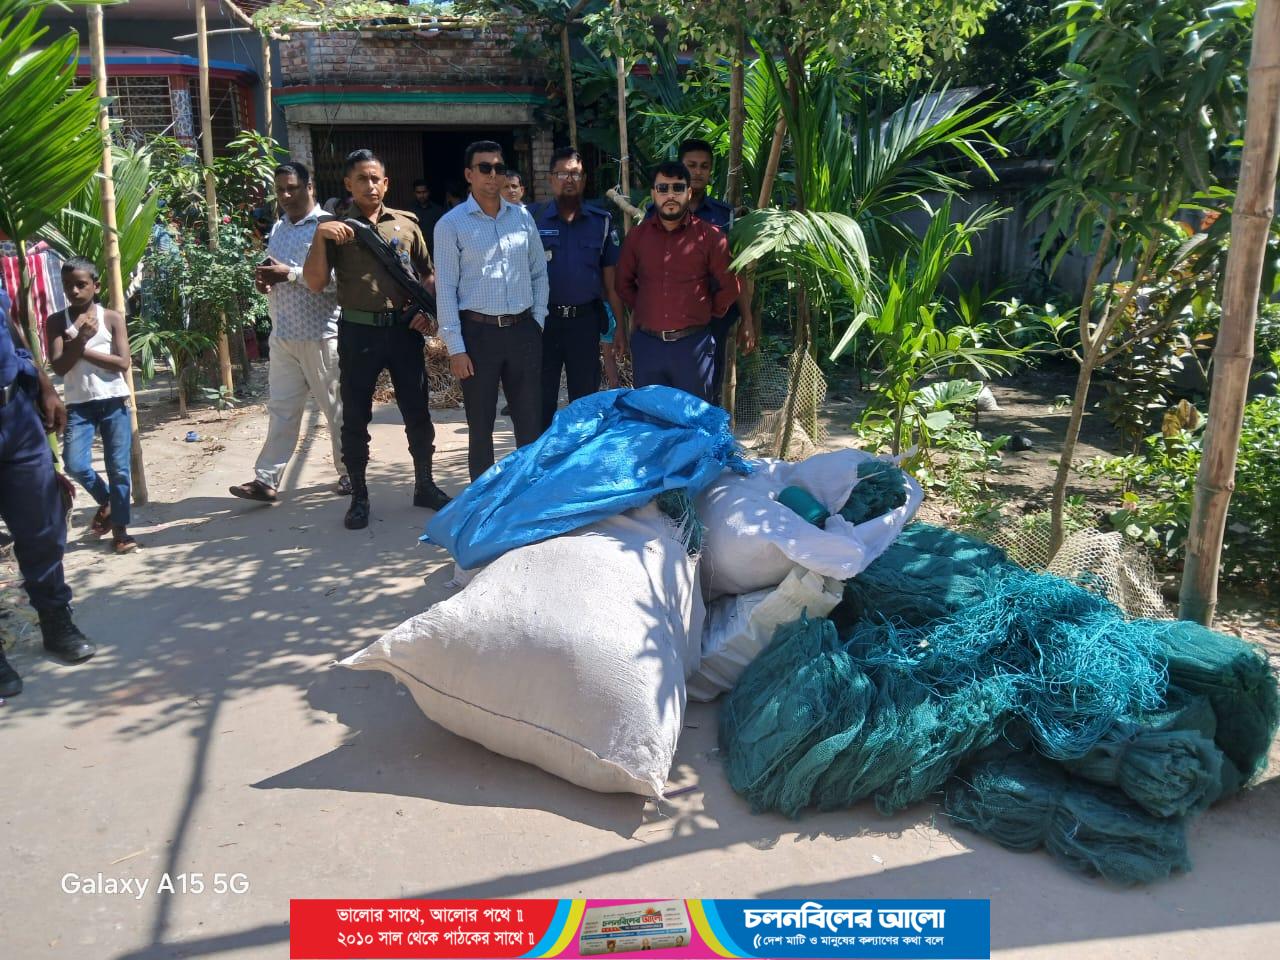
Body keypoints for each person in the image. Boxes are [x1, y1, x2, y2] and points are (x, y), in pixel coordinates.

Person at [303, 148, 451, 530]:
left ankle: (425, 484)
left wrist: (426, 312)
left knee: (417, 411)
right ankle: (359, 497)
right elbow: (316, 282)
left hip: (403, 332)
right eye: (362, 179)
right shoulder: (336, 229)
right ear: (348, 185)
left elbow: (426, 274)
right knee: (355, 416)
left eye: (376, 179)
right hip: (359, 332)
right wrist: (320, 237)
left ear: (386, 183)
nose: (370, 185)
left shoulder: (406, 224)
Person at [229, 162, 347, 506]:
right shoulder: (280, 227)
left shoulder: (328, 227)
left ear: (310, 187)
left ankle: (349, 474)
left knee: (336, 411)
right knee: (281, 410)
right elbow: (274, 272)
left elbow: (338, 282)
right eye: (280, 189)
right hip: (283, 336)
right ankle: (266, 480)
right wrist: (265, 279)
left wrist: (289, 274)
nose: (285, 195)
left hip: (321, 336)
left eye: (292, 188)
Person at [0, 287, 97, 698]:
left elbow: (11, 327)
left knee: (43, 526)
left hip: (14, 416)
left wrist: (45, 386)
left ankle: (55, 618)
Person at [434, 140, 548, 481]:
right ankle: (481, 502)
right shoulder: (451, 225)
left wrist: (537, 321)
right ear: (469, 174)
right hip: (478, 334)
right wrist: (456, 347)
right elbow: (446, 289)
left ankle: (526, 494)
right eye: (485, 168)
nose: (493, 175)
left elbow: (539, 272)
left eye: (498, 168)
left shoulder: (522, 217)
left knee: (529, 420)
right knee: (480, 425)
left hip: (523, 331)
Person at [615, 162, 740, 402]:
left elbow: (730, 286)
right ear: (653, 193)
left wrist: (706, 312)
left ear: (689, 193)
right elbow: (623, 284)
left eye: (677, 188)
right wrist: (646, 308)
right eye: (663, 188)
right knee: (652, 424)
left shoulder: (711, 237)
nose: (670, 195)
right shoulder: (638, 237)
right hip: (649, 347)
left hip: (693, 348)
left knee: (692, 424)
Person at [646, 139, 757, 402]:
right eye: (691, 165)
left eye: (704, 167)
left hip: (712, 321)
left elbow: (737, 271)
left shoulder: (725, 216)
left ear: (710, 173)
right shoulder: (654, 213)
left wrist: (747, 320)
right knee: (667, 395)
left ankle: (703, 442)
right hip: (667, 320)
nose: (697, 172)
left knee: (706, 392)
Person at [45, 258, 137, 555]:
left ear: (95, 286)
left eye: (81, 284)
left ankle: (121, 531)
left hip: (113, 400)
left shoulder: (110, 318)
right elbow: (59, 367)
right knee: (75, 463)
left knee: (119, 468)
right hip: (79, 405)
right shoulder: (56, 322)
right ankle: (109, 502)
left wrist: (81, 346)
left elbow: (122, 363)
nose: (74, 290)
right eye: (68, 285)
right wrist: (79, 339)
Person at [533, 146, 624, 430]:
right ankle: (540, 465)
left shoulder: (601, 222)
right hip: (543, 324)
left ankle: (579, 466)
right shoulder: (532, 219)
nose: (569, 179)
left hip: (585, 323)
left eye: (575, 174)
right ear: (551, 179)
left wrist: (620, 326)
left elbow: (612, 283)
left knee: (584, 401)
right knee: (540, 400)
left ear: (584, 180)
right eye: (562, 173)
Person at [410, 178, 444, 256]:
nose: (422, 195)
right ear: (414, 193)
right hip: (417, 253)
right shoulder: (410, 212)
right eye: (418, 193)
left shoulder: (438, 210)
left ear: (429, 192)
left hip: (436, 251)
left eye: (424, 192)